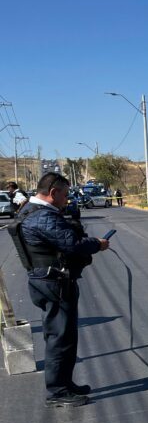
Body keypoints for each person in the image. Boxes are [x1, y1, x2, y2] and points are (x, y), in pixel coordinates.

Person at [17, 173, 109, 407]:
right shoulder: (43, 217)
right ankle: (58, 390)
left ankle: (65, 383)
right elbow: (73, 244)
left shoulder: (29, 210)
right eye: (65, 195)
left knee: (62, 335)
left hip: (47, 280)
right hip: (54, 282)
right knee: (60, 337)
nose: (67, 200)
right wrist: (97, 244)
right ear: (53, 192)